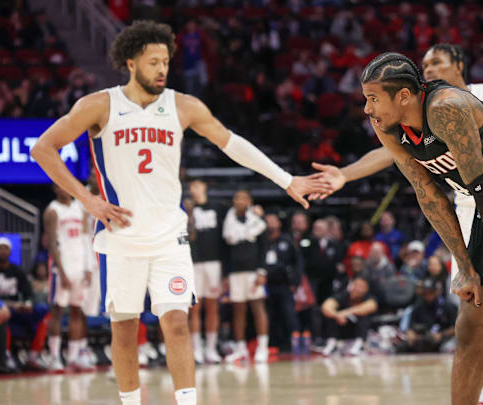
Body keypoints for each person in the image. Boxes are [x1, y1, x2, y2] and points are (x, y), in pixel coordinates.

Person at [30, 21, 328, 405]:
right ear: (130, 63)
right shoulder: (99, 105)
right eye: (153, 61)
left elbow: (231, 143)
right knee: (124, 330)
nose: (162, 69)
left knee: (177, 323)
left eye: (166, 62)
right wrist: (87, 200)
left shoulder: (183, 105)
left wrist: (286, 180)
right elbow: (43, 149)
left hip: (170, 236)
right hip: (121, 237)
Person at [308, 43, 483, 405]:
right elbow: (397, 156)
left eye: (437, 60)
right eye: (423, 63)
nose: (429, 67)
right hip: (470, 205)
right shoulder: (408, 117)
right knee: (471, 317)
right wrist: (345, 175)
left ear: (459, 64)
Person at [44, 183, 95, 371]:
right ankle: (54, 357)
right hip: (63, 268)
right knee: (58, 310)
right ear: (56, 189)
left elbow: (86, 238)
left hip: (80, 266)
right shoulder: (52, 211)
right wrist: (61, 270)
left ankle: (73, 357)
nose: (64, 189)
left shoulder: (79, 208)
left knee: (77, 311)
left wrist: (89, 266)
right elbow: (52, 244)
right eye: (60, 187)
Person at [0, 238, 46, 374]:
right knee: (4, 312)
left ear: (10, 251)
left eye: (5, 248)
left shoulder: (17, 271)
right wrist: (9, 304)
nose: (3, 251)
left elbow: (28, 293)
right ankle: (6, 354)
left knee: (43, 310)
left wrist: (28, 304)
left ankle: (34, 355)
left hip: (18, 309)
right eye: (0, 248)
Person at [221, 190, 269, 363]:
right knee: (238, 311)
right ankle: (241, 349)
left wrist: (262, 271)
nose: (240, 201)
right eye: (237, 198)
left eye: (243, 198)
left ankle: (263, 347)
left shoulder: (258, 222)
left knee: (258, 308)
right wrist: (225, 275)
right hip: (235, 272)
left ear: (249, 201)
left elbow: (264, 247)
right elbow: (225, 250)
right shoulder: (227, 221)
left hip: (253, 271)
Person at [185, 179, 226, 364]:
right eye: (192, 187)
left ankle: (211, 348)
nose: (195, 189)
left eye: (198, 185)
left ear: (205, 187)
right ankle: (196, 349)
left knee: (212, 307)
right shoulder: (186, 210)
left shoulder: (218, 208)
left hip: (214, 263)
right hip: (193, 262)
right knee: (194, 308)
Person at [263, 213, 302, 353]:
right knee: (270, 315)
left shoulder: (287, 240)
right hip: (267, 285)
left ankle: (294, 343)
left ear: (279, 223)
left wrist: (295, 282)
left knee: (288, 314)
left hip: (285, 284)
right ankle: (273, 344)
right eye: (267, 221)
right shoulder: (263, 241)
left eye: (273, 220)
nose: (270, 224)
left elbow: (298, 262)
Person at [320, 276, 378, 356]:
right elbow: (326, 307)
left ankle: (360, 345)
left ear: (366, 289)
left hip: (360, 330)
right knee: (330, 316)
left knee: (364, 316)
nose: (358, 289)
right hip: (342, 327)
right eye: (356, 285)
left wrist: (344, 313)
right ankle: (332, 344)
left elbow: (370, 306)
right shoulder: (342, 295)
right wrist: (337, 315)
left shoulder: (369, 297)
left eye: (361, 286)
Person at [397, 277, 457, 353]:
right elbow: (410, 327)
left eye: (430, 292)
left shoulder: (448, 306)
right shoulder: (418, 307)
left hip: (443, 339)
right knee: (401, 347)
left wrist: (441, 335)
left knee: (447, 348)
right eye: (425, 292)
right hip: (423, 339)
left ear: (437, 292)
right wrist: (411, 334)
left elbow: (456, 328)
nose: (428, 295)